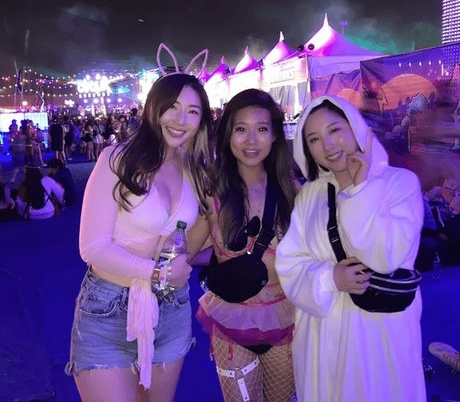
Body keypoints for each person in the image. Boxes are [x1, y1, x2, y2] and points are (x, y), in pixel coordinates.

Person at [65, 65, 213, 401]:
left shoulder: (197, 171)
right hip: (108, 308)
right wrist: (158, 272)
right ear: (153, 108)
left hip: (171, 309)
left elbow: (191, 247)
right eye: (172, 106)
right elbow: (92, 247)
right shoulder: (117, 159)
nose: (181, 120)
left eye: (193, 111)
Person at [275, 95, 426, 401]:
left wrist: (360, 191)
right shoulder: (310, 195)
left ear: (355, 127)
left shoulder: (399, 184)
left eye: (335, 130)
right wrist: (329, 279)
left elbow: (385, 257)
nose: (328, 145)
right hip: (323, 332)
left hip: (378, 333)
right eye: (314, 139)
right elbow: (290, 261)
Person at [188, 89, 298, 402]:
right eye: (241, 129)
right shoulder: (212, 192)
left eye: (261, 129)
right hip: (231, 322)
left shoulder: (293, 191)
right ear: (228, 134)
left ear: (274, 135)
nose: (251, 140)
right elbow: (187, 252)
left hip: (285, 320)